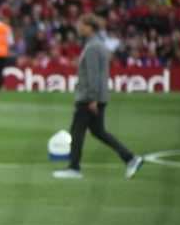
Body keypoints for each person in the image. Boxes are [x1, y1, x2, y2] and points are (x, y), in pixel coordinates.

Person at [53, 14, 144, 180]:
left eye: (81, 25)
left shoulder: (93, 47)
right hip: (95, 95)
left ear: (89, 28)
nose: (78, 28)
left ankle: (74, 168)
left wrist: (92, 98)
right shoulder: (96, 45)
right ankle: (130, 157)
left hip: (89, 97)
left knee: (77, 131)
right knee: (98, 131)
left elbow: (93, 74)